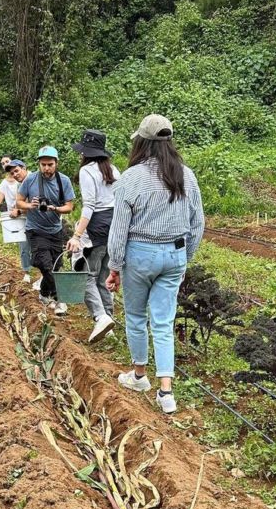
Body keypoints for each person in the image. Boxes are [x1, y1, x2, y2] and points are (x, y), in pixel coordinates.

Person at [106, 114, 204, 414]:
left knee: (136, 316)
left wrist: (115, 265)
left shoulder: (131, 177)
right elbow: (197, 223)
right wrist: (184, 257)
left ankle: (138, 376)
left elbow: (118, 229)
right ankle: (166, 392)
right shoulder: (186, 175)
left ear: (142, 142)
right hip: (173, 255)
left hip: (140, 255)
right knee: (163, 321)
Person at [66, 130, 120, 344]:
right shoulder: (114, 169)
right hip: (114, 226)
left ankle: (100, 317)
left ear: (85, 153)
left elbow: (89, 206)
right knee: (103, 277)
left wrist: (77, 235)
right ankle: (109, 322)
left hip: (96, 228)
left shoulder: (87, 171)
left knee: (84, 276)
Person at [16, 146, 75, 315]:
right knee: (45, 264)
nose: (46, 168)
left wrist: (55, 209)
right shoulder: (30, 179)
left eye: (50, 164)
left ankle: (43, 293)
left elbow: (69, 206)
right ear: (39, 164)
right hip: (35, 229)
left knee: (55, 267)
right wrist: (30, 205)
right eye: (43, 164)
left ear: (56, 163)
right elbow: (19, 201)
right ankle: (60, 299)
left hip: (55, 229)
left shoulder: (63, 181)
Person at [0, 159, 33, 284]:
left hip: (30, 216)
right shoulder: (13, 183)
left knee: (37, 247)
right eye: (3, 164)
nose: (5, 165)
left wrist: (19, 210)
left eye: (7, 161)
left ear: (23, 168)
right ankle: (27, 271)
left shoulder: (31, 179)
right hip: (18, 217)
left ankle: (43, 275)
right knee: (24, 246)